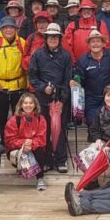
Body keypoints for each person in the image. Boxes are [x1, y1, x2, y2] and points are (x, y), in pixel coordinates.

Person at [27, 22, 73, 172]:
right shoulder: (38, 55)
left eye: (56, 37)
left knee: (59, 130)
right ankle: (46, 160)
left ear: (60, 39)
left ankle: (61, 160)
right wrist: (42, 88)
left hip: (59, 99)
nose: (53, 39)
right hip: (42, 99)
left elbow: (68, 79)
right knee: (44, 130)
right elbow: (32, 77)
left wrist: (63, 99)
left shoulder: (66, 56)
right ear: (46, 38)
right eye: (50, 37)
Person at [0, 16, 27, 138]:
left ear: (16, 29)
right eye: (6, 27)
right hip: (0, 87)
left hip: (18, 87)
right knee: (0, 116)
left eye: (11, 27)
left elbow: (26, 64)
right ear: (1, 29)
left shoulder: (22, 43)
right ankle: (1, 141)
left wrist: (26, 84)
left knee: (18, 116)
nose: (9, 30)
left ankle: (17, 139)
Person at [74, 29, 110, 126]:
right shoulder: (82, 60)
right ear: (88, 45)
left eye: (98, 41)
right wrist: (75, 81)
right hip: (91, 98)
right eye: (93, 41)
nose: (95, 44)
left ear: (103, 43)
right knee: (93, 124)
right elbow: (79, 80)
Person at [3, 92, 48, 192]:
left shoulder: (41, 119)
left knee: (40, 150)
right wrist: (23, 144)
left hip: (33, 147)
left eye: (31, 103)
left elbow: (42, 138)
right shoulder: (14, 120)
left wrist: (31, 144)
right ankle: (21, 168)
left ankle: (40, 178)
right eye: (26, 103)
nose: (28, 105)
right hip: (18, 149)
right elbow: (9, 140)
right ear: (21, 105)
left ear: (35, 104)